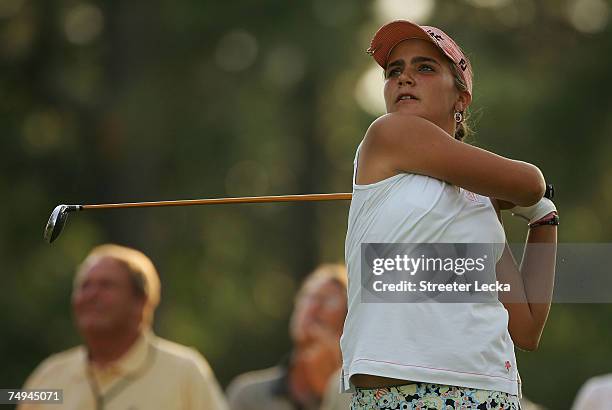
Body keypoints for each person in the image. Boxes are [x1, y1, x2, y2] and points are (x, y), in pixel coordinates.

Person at [341, 20, 558, 409]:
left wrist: (543, 218)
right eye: (395, 71)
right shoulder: (388, 134)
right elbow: (530, 181)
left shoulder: (479, 204)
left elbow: (525, 326)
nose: (404, 77)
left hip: (487, 389)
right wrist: (528, 195)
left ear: (461, 99)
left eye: (424, 67)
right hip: (395, 392)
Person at [19, 244, 228, 410]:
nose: (91, 295)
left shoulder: (185, 372)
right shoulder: (48, 376)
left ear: (141, 302)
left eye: (106, 285)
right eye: (85, 286)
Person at [227, 264, 351, 410]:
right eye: (308, 296)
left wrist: (331, 391)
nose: (313, 307)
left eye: (327, 300)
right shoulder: (250, 395)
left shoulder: (362, 397)